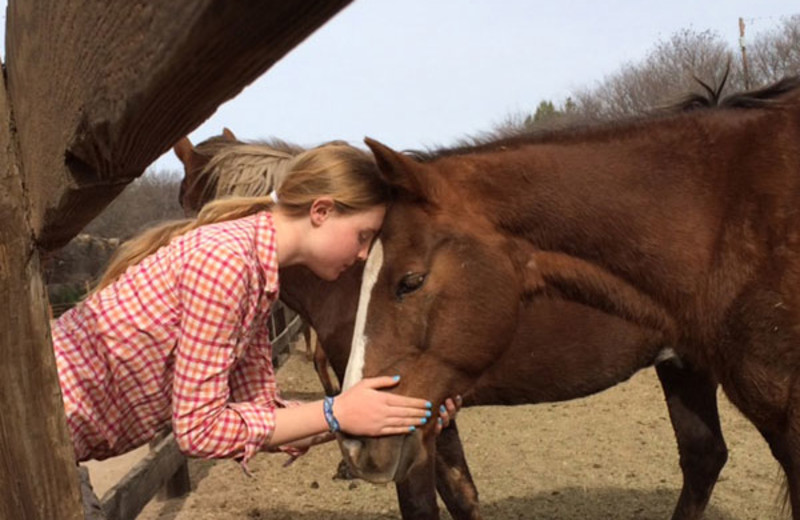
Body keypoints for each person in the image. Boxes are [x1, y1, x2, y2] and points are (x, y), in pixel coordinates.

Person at [51, 141, 458, 518]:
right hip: (24, 445)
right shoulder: (225, 264)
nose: (364, 253)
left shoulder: (256, 274)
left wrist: (391, 415)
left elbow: (263, 420)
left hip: (51, 450)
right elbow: (199, 431)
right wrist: (337, 412)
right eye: (363, 235)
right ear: (322, 211)